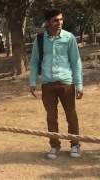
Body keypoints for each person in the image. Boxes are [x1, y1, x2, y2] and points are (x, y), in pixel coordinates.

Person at [29, 9, 83, 159]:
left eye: (61, 20)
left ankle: (75, 145)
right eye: (55, 20)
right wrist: (33, 82)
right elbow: (33, 63)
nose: (59, 23)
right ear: (47, 23)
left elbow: (76, 62)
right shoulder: (39, 40)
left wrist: (79, 84)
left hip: (67, 83)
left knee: (71, 116)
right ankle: (54, 146)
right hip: (48, 85)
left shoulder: (69, 38)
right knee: (51, 117)